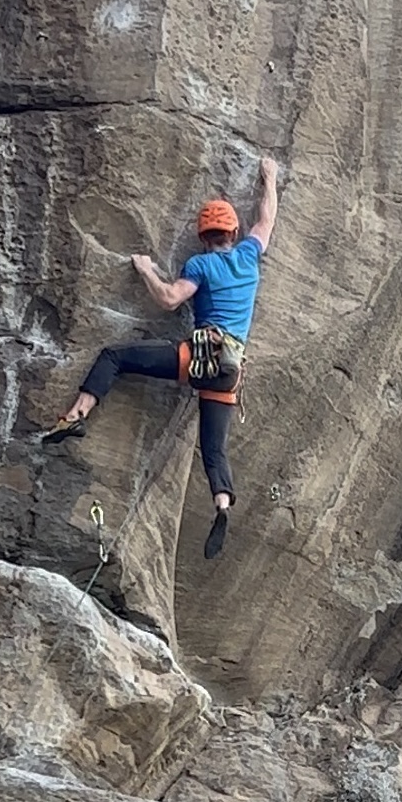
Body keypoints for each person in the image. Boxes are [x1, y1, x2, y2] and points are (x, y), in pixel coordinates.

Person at [40, 158, 281, 561]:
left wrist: (147, 270)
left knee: (114, 356)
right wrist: (269, 178)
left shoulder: (201, 264)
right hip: (230, 370)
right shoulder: (248, 257)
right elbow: (267, 219)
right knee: (214, 448)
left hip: (198, 358)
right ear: (234, 232)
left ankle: (76, 415)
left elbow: (170, 299)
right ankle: (221, 503)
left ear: (204, 237)